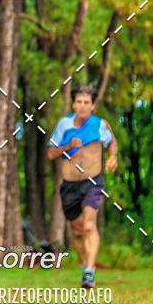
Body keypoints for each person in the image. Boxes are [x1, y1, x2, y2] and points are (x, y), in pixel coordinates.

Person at [47, 84, 118, 288]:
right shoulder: (64, 125)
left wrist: (113, 157)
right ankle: (85, 263)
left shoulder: (100, 125)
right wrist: (68, 146)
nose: (83, 106)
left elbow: (112, 142)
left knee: (89, 225)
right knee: (77, 231)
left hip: (93, 181)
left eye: (87, 102)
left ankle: (89, 271)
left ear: (93, 105)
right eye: (79, 101)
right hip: (69, 185)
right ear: (74, 103)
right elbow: (51, 153)